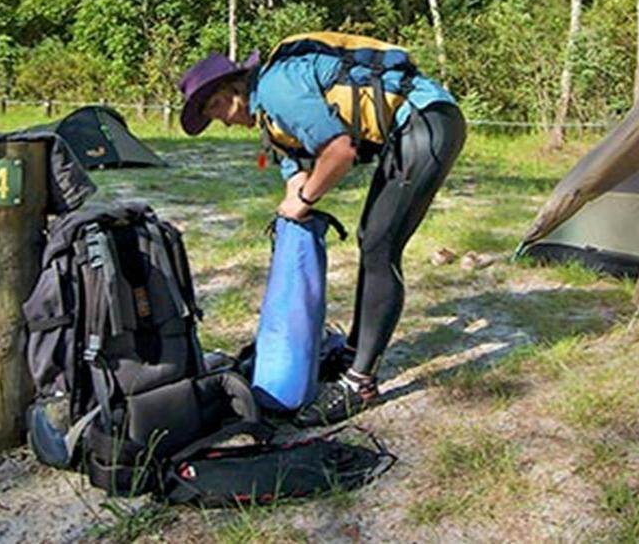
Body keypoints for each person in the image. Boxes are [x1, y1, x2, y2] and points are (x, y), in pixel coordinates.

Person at [178, 34, 466, 426]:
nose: (222, 118)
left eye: (217, 104)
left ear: (237, 87)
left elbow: (340, 151)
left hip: (426, 121)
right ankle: (353, 354)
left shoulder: (278, 90)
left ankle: (359, 383)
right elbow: (293, 172)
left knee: (380, 248)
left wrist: (307, 198)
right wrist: (294, 197)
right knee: (372, 241)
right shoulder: (268, 116)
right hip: (410, 130)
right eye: (212, 115)